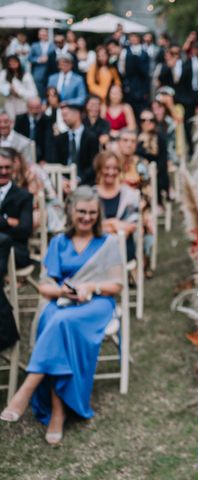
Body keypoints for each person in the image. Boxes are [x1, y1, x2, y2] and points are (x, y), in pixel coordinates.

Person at [0, 186, 123, 445]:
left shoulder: (108, 243)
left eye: (92, 212)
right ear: (70, 210)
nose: (87, 217)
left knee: (59, 322)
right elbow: (45, 287)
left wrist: (91, 287)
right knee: (55, 320)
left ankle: (28, 388)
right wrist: (63, 291)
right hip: (63, 301)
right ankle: (57, 410)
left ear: (98, 214)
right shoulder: (59, 242)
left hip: (97, 305)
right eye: (81, 211)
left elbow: (117, 285)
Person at [0, 148, 33, 352]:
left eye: (7, 168)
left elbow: (24, 229)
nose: (3, 171)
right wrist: (7, 221)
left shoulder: (23, 196)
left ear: (13, 169)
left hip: (15, 251)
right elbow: (15, 226)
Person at [95, 151, 139, 261]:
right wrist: (114, 223)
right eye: (107, 168)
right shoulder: (92, 195)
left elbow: (131, 226)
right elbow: (88, 227)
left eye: (115, 168)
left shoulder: (129, 194)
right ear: (100, 169)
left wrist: (103, 226)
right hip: (96, 247)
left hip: (122, 247)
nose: (111, 172)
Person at [52, 103, 100, 185]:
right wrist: (63, 181)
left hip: (85, 183)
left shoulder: (92, 137)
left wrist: (78, 179)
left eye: (66, 115)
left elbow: (94, 164)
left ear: (77, 114)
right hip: (63, 183)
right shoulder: (60, 139)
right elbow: (55, 161)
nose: (64, 119)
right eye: (62, 116)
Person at [136, 109, 169, 198]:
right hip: (139, 172)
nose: (147, 123)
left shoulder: (160, 138)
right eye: (144, 120)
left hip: (156, 173)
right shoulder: (135, 138)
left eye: (151, 120)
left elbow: (163, 160)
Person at [119, 32, 151, 119]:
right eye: (131, 37)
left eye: (135, 37)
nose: (133, 39)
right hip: (130, 88)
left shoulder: (144, 53)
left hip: (141, 89)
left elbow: (146, 72)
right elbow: (122, 70)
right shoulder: (125, 52)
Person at [14, 96, 53, 163]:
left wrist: (46, 159)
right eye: (32, 108)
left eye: (37, 107)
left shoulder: (47, 120)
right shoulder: (20, 119)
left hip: (40, 156)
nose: (35, 110)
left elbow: (49, 142)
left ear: (41, 107)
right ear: (27, 107)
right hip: (23, 153)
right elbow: (15, 138)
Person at [0, 54, 38, 120]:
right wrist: (9, 89)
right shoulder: (4, 74)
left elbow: (33, 93)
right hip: (9, 103)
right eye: (10, 62)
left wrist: (18, 93)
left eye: (14, 61)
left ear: (19, 62)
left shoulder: (26, 75)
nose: (12, 64)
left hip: (23, 104)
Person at [29, 28, 56, 98]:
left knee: (51, 90)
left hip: (50, 72)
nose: (44, 36)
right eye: (42, 35)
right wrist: (39, 59)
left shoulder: (53, 46)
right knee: (39, 90)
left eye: (45, 34)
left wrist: (49, 59)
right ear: (39, 36)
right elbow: (29, 58)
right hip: (38, 72)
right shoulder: (34, 45)